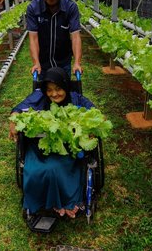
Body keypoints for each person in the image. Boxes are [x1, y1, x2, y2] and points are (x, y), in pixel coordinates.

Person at [9, 67, 94, 219]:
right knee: (38, 171)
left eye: (58, 88)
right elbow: (18, 110)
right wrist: (13, 119)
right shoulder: (39, 97)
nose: (54, 94)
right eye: (49, 90)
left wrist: (90, 127)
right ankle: (45, 202)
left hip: (67, 149)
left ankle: (65, 202)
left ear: (66, 86)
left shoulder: (76, 99)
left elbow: (95, 113)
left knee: (56, 168)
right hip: (40, 148)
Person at [26, 0, 82, 78]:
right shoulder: (33, 8)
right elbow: (33, 38)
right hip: (43, 62)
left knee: (63, 91)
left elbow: (75, 37)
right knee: (43, 92)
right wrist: (36, 62)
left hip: (63, 61)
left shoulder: (70, 7)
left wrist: (77, 62)